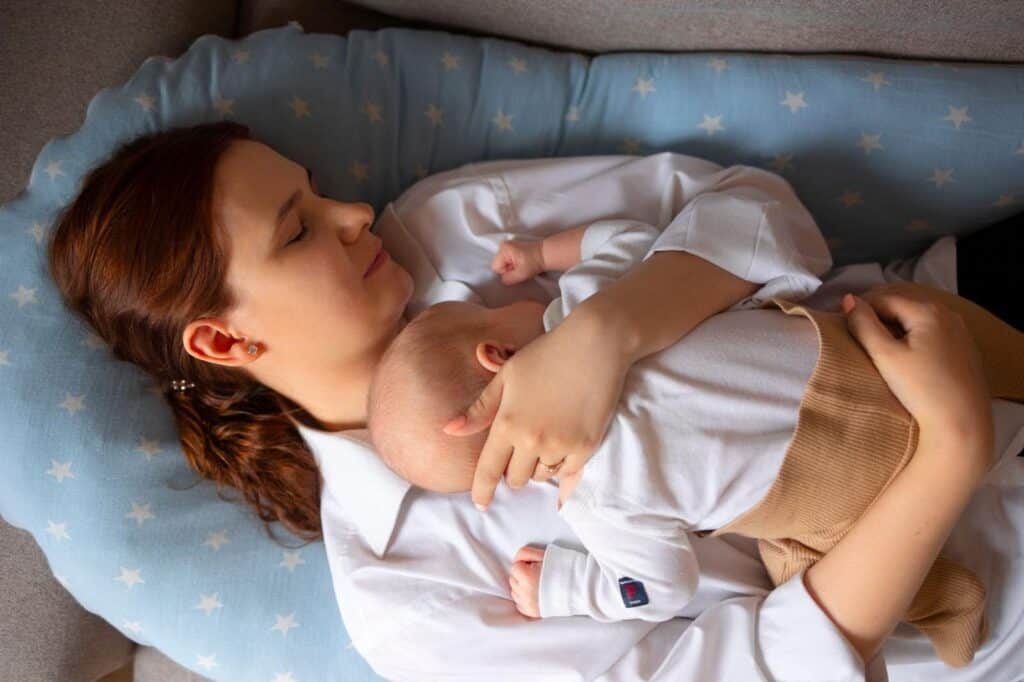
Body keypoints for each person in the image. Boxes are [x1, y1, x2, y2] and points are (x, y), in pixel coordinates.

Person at [45, 120, 1024, 680]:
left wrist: (607, 329)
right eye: (299, 229)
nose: (351, 213)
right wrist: (944, 453)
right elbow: (763, 667)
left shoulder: (458, 229)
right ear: (225, 341)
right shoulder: (402, 594)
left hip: (935, 322)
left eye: (317, 191)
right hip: (983, 568)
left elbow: (765, 211)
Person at [365, 219, 1020, 668]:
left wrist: (566, 587)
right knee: (904, 309)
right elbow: (633, 236)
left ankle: (949, 611)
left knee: (795, 568)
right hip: (890, 361)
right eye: (484, 304)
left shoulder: (594, 502)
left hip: (858, 491)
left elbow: (658, 587)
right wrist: (544, 255)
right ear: (496, 349)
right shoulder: (588, 306)